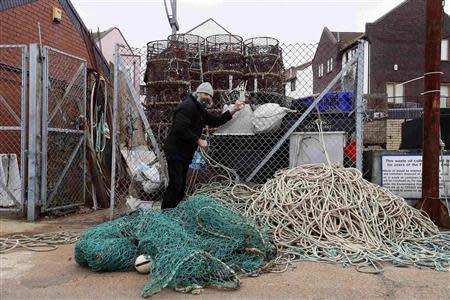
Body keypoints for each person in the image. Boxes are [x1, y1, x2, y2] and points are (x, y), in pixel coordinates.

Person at [162, 82, 245, 209]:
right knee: (176, 184)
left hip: (184, 153)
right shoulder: (187, 106)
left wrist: (233, 109)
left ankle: (172, 212)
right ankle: (165, 213)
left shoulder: (200, 110)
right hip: (175, 151)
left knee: (181, 186)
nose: (208, 97)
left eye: (210, 96)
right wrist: (198, 140)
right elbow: (179, 128)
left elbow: (216, 121)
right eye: (205, 94)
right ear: (198, 93)